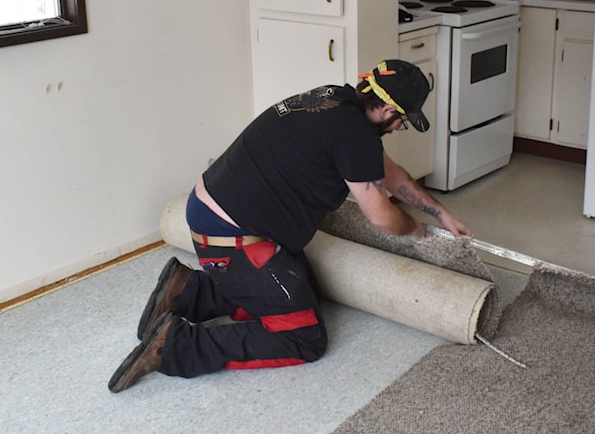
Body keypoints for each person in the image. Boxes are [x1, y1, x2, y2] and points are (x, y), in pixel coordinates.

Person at [108, 59, 471, 392]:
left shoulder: (336, 102)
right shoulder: (355, 135)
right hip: (232, 237)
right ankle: (174, 346)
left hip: (215, 212)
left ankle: (188, 292)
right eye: (402, 120)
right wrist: (416, 233)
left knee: (303, 289)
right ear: (389, 109)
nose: (400, 126)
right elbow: (381, 216)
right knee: (304, 337)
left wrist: (439, 212)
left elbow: (388, 174)